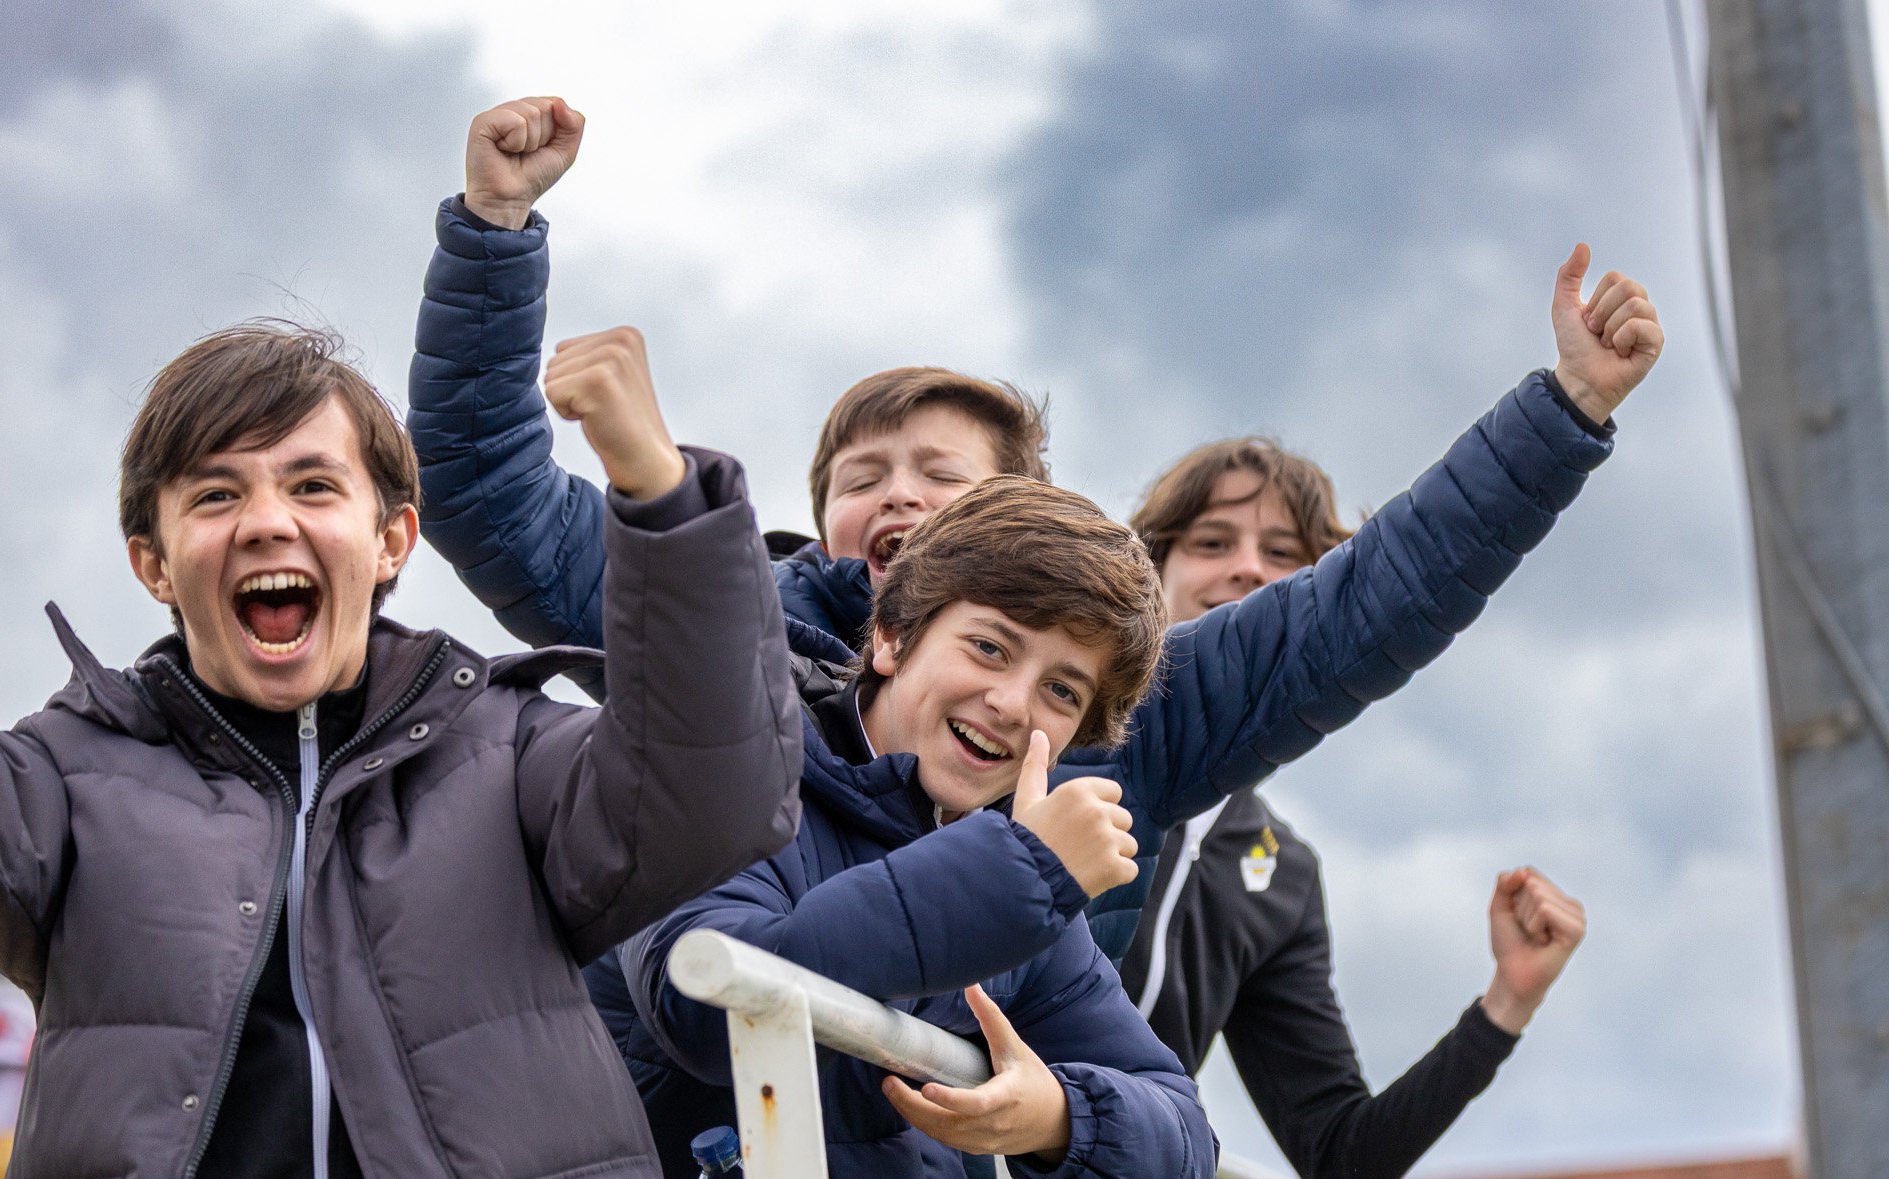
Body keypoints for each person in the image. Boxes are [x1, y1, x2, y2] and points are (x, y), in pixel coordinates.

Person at [406, 95, 1663, 970]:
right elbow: (485, 484)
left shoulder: (1141, 705)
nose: (894, 496)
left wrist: (1562, 412)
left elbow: (1372, 599)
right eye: (863, 474)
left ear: (1020, 515)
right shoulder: (699, 610)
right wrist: (496, 232)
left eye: (937, 475)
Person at [0, 282, 802, 1179]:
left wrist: (659, 496)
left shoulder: (510, 753)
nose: (265, 522)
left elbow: (711, 787)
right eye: (212, 497)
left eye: (312, 483)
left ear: (391, 538)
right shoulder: (67, 779)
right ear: (151, 563)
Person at [613, 476, 1216, 1179]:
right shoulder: (723, 760)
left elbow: (1187, 1154)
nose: (1013, 703)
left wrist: (1056, 1115)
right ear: (891, 636)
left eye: (1060, 690)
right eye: (989, 646)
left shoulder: (1020, 879)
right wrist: (1026, 869)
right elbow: (707, 1001)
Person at [1054, 435, 1590, 1179]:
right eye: (1213, 541)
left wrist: (1506, 1003)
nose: (1249, 568)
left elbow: (1343, 1160)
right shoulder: (1042, 740)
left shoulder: (1280, 869)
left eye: (1289, 556)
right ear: (1150, 572)